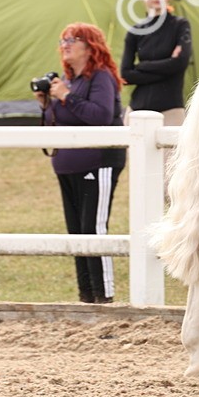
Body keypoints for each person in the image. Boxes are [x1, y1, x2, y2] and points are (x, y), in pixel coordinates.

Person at [35, 23, 126, 304]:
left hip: (97, 163)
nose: (65, 44)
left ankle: (105, 297)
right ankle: (86, 297)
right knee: (77, 234)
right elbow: (61, 121)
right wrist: (46, 104)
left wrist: (65, 96)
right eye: (63, 40)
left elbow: (100, 115)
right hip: (67, 166)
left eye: (73, 39)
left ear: (90, 46)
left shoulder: (101, 77)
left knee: (94, 229)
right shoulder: (68, 79)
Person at [120, 0, 192, 126]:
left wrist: (142, 66)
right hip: (136, 112)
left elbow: (180, 63)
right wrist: (168, 66)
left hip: (170, 112)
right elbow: (125, 74)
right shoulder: (134, 32)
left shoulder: (180, 25)